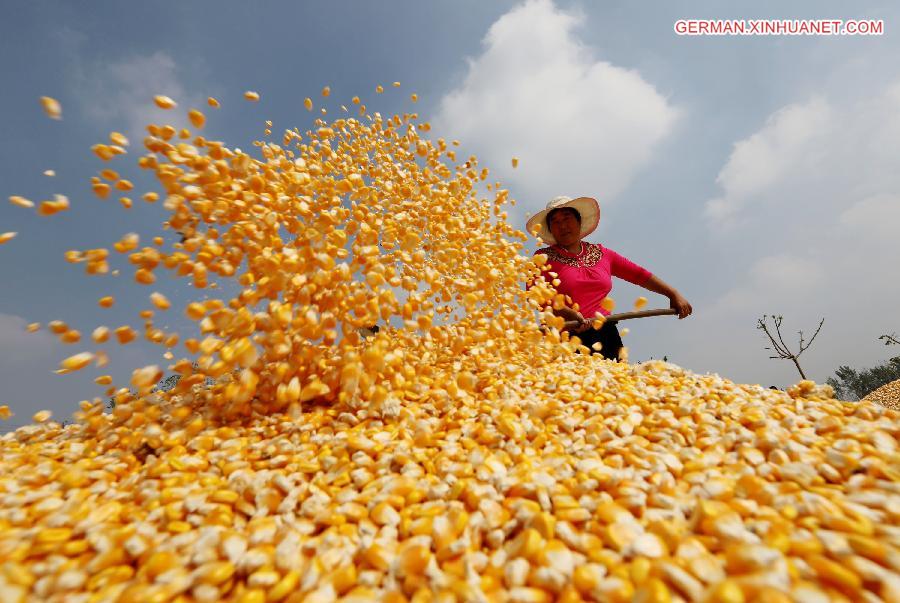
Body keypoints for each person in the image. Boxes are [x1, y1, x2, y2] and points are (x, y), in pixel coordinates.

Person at [526, 196, 692, 361]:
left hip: (605, 335)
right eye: (555, 222)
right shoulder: (542, 257)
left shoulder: (603, 254)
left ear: (579, 221)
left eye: (567, 218)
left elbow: (639, 275)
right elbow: (534, 294)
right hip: (563, 338)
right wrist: (566, 313)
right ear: (550, 230)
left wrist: (672, 293)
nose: (562, 226)